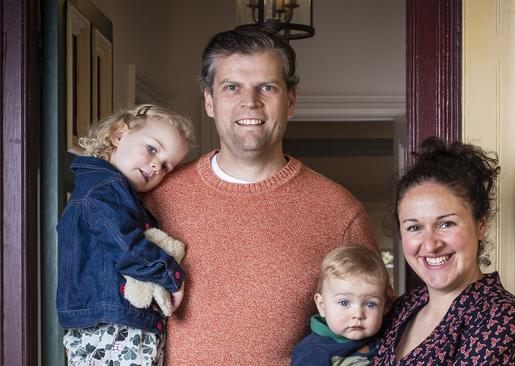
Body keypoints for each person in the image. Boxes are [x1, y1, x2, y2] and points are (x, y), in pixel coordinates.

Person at [144, 28, 378, 364]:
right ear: (209, 101)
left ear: (291, 100)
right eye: (232, 87)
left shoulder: (339, 212)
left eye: (266, 87)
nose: (249, 102)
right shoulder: (159, 197)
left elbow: (375, 333)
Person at [372, 137, 515, 365]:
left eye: (446, 224)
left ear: (480, 225)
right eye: (414, 227)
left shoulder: (503, 320)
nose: (431, 244)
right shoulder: (404, 307)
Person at [56, 104, 195, 365]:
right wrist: (171, 275)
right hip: (112, 326)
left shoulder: (118, 194)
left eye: (166, 166)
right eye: (152, 149)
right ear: (119, 135)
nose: (156, 166)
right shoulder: (101, 192)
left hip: (119, 323)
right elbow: (126, 246)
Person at [291, 245, 391, 366]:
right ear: (322, 305)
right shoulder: (312, 351)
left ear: (384, 307)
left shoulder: (389, 333)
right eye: (344, 303)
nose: (358, 314)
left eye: (370, 304)